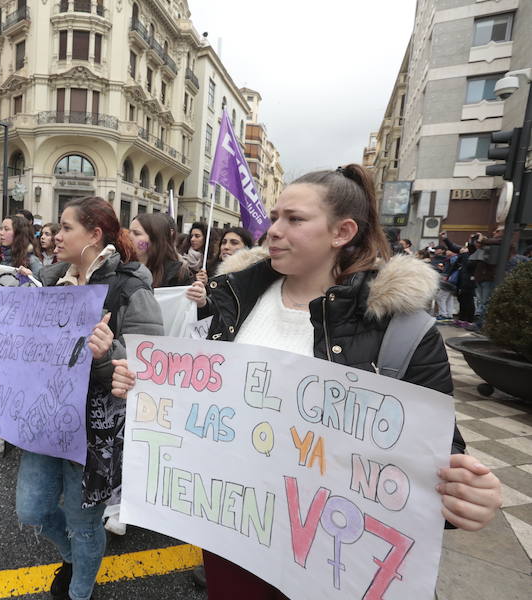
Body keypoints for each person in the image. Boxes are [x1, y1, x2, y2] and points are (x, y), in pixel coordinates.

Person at [117, 164, 503, 600]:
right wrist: (146, 388)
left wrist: (468, 496)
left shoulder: (399, 328)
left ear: (342, 232)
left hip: (332, 558)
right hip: (233, 535)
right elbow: (202, 401)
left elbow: (437, 452)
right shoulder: (233, 301)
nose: (274, 230)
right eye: (274, 217)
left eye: (295, 219)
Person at [0, 196, 163, 600]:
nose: (56, 236)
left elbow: (152, 364)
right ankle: (74, 558)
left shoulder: (130, 286)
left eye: (65, 228)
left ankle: (80, 591)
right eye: (57, 228)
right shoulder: (51, 279)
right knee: (33, 510)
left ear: (94, 235)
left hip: (95, 432)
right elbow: (27, 344)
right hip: (45, 418)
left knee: (84, 523)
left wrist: (108, 353)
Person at [0, 213, 45, 462]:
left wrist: (31, 279)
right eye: (0, 228)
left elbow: (42, 298)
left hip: (21, 336)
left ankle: (3, 436)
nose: (0, 232)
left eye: (6, 228)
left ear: (19, 233)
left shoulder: (34, 264)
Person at [129, 213, 193, 287]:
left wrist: (198, 292)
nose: (129, 237)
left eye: (137, 233)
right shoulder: (122, 267)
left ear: (155, 240)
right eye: (129, 232)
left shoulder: (178, 274)